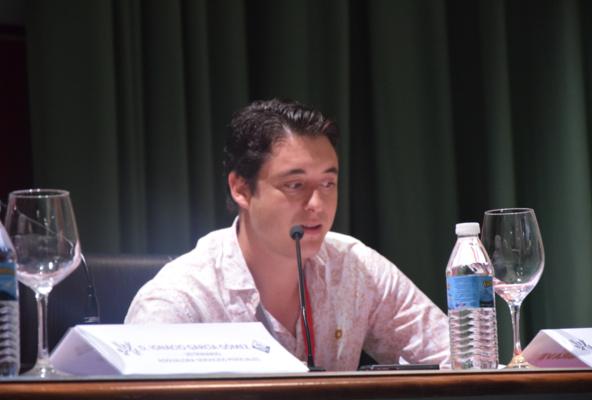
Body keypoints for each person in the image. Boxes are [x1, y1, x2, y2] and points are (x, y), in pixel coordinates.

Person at [125, 98, 450, 371]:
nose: (317, 205)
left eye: (328, 184)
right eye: (295, 185)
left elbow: (459, 361)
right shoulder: (180, 301)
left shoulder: (356, 268)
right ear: (241, 188)